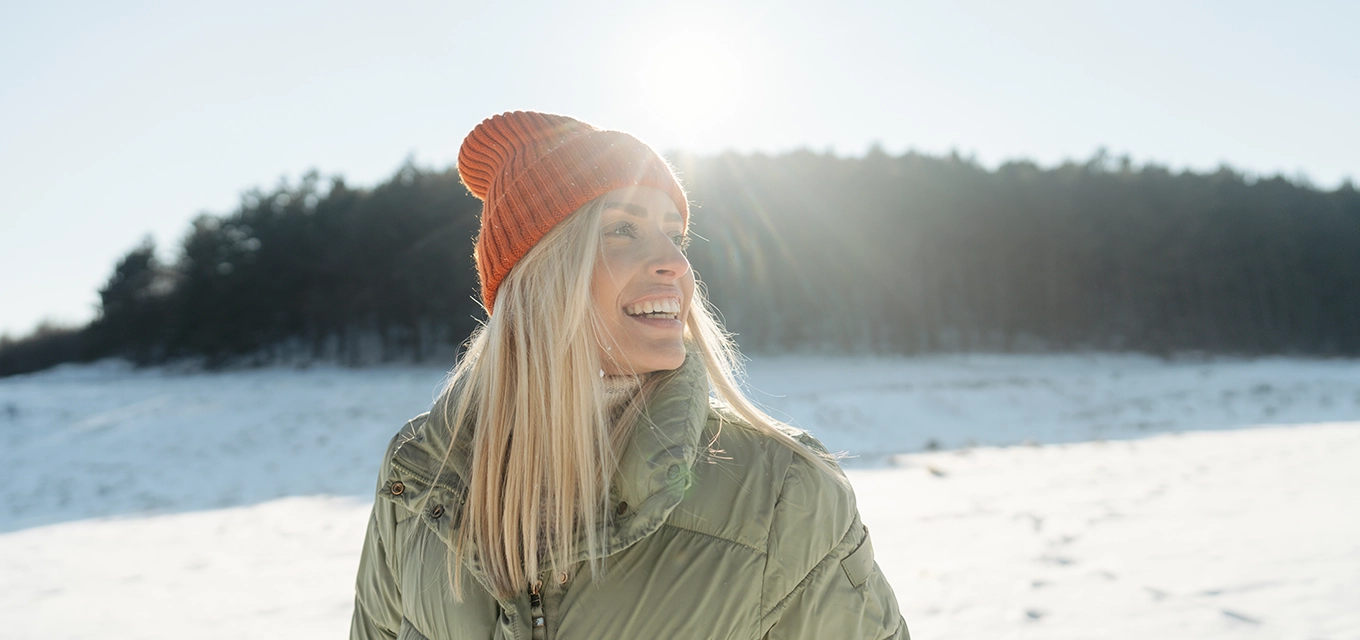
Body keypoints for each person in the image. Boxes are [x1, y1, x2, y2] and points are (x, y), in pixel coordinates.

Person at [350, 111, 908, 639]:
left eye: (676, 235)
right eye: (622, 230)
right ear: (538, 273)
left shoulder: (783, 491)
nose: (676, 262)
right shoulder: (421, 473)